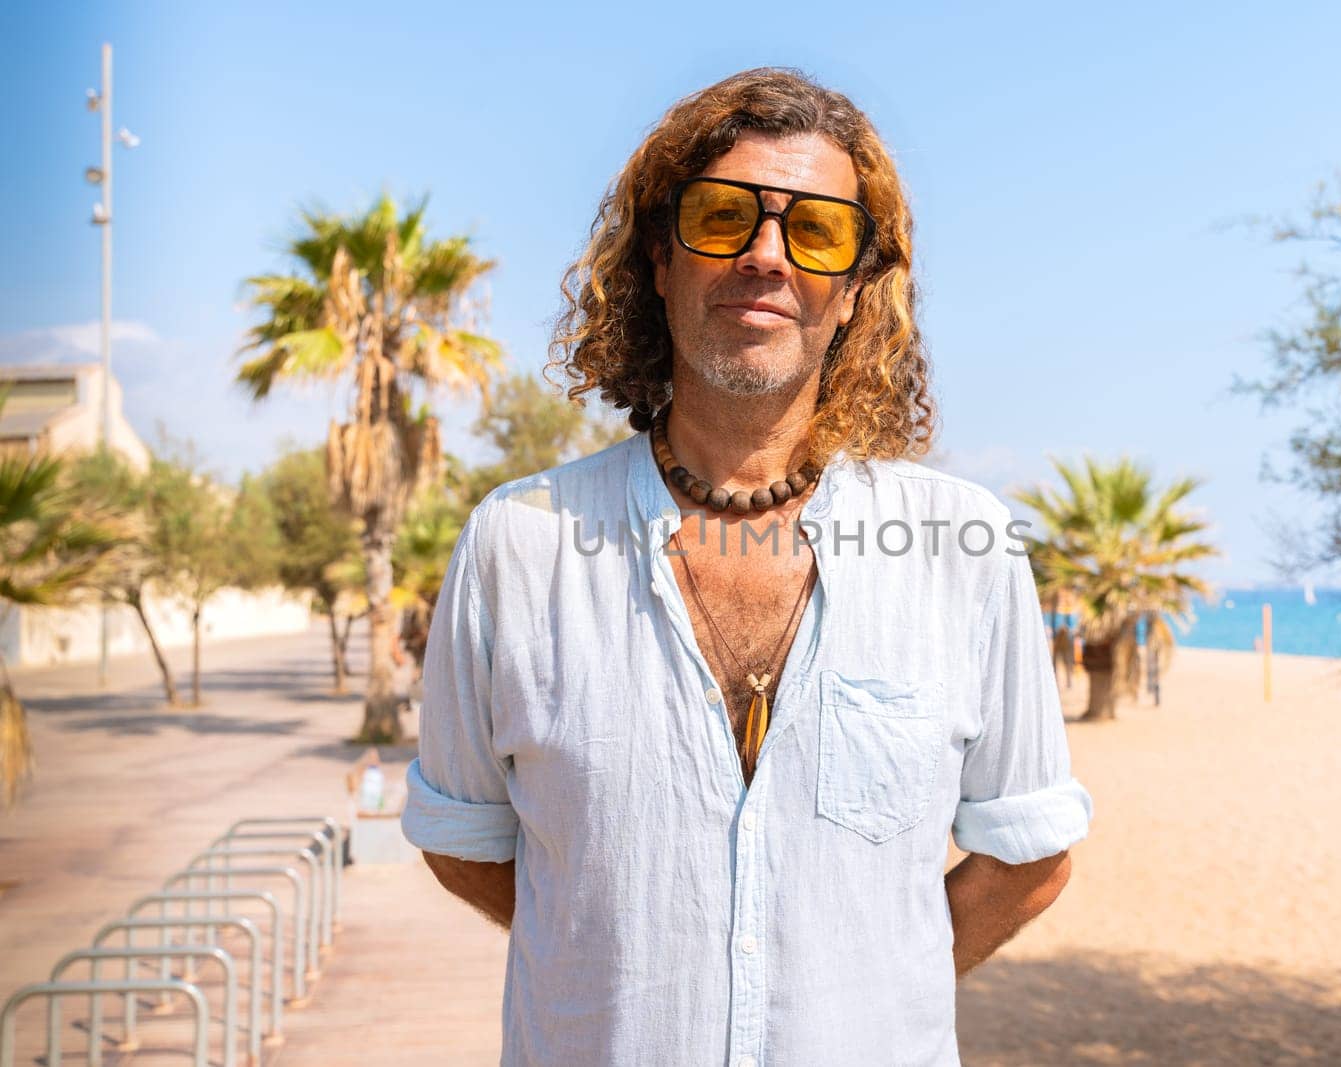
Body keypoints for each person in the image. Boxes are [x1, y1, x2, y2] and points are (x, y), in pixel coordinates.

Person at [401, 67, 1094, 1066]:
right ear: (658, 255)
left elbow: (1026, 856)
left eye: (814, 231)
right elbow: (462, 842)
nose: (765, 256)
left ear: (856, 286)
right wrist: (629, 968)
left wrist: (866, 993)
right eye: (724, 216)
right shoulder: (520, 542)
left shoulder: (964, 545)